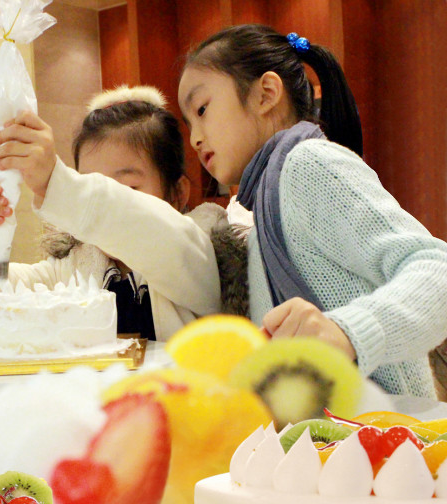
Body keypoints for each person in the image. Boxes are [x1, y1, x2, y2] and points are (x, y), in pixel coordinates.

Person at [178, 24, 447, 397]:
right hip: (341, 428)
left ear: (266, 94)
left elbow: (437, 269)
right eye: (189, 123)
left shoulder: (308, 164)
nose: (195, 138)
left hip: (388, 426)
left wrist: (348, 331)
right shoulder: (265, 203)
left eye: (202, 109)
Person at [0, 85, 252, 341]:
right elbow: (5, 297)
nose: (110, 198)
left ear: (177, 194)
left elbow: (161, 236)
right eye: (90, 183)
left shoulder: (196, 247)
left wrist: (58, 184)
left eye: (128, 188)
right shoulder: (76, 264)